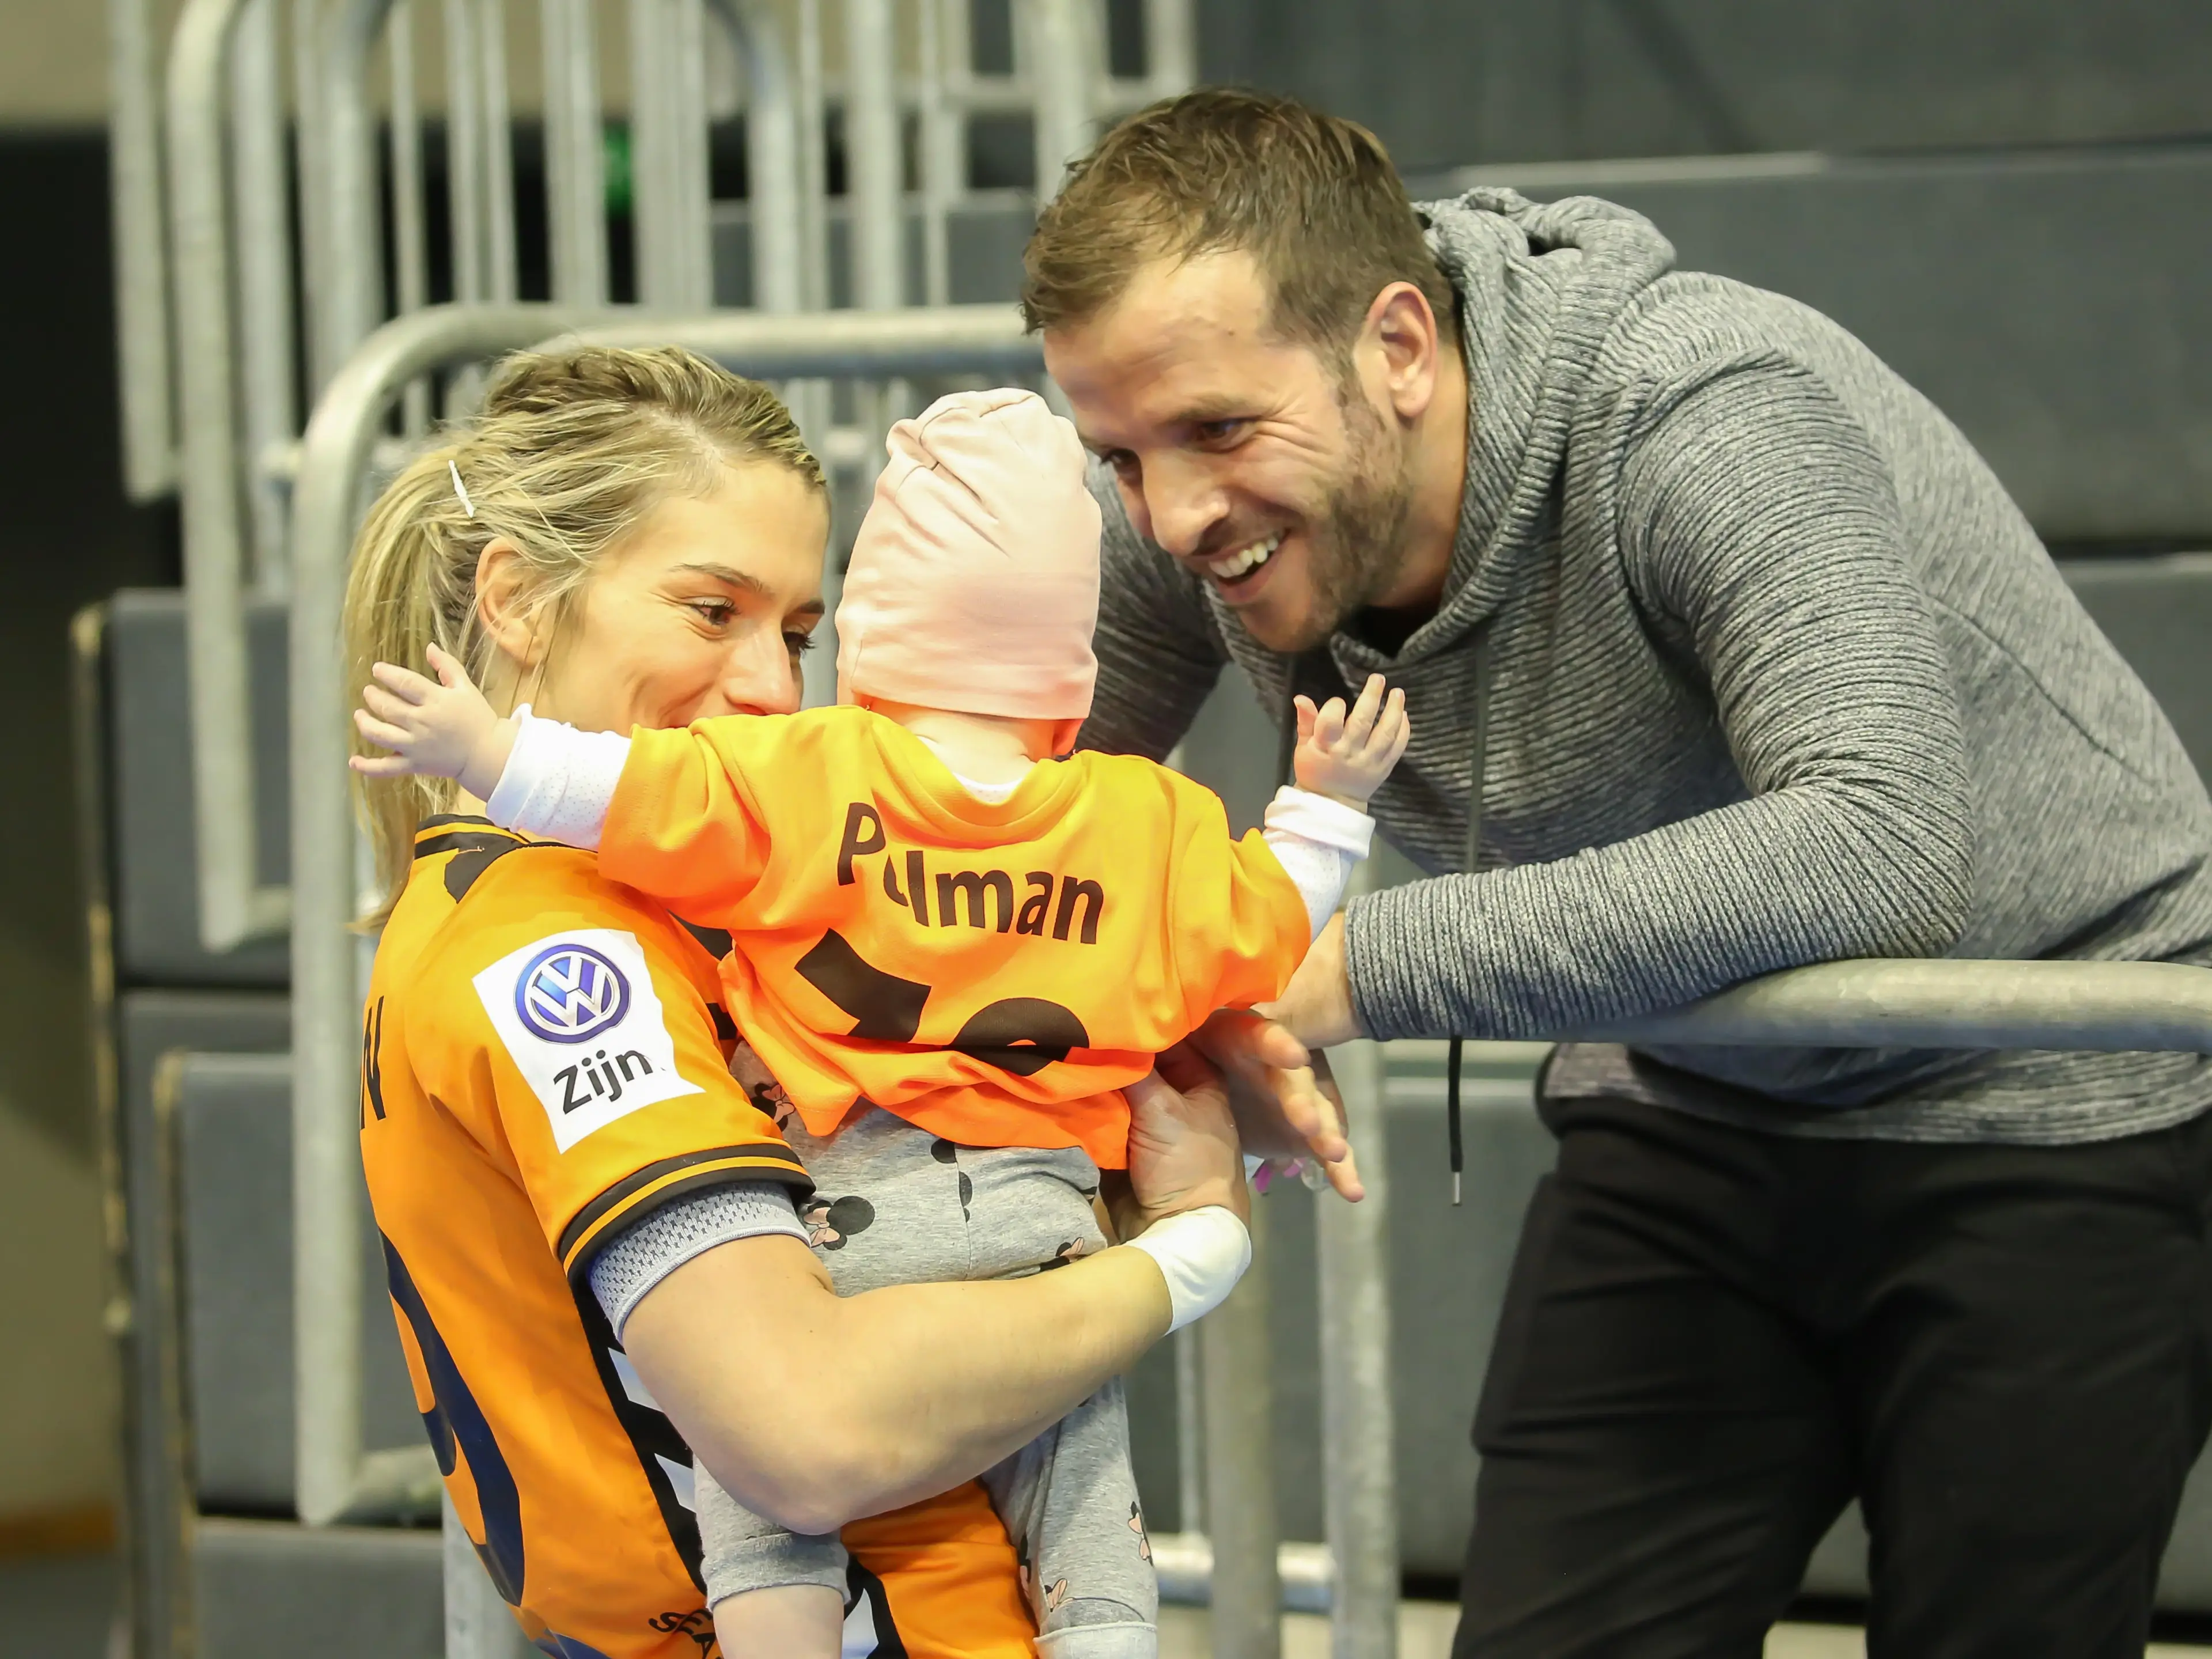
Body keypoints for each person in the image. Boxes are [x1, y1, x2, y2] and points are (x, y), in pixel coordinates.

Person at [1025, 88, 2212, 1657]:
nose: (1173, 512)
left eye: (1221, 432)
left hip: (2059, 1090)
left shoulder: (1700, 409)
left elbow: (1883, 840)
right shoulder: (1203, 517)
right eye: (1118, 452)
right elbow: (1002, 816)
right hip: (1699, 1100)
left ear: (1397, 346)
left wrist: (1337, 973)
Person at [353, 385, 1404, 1658]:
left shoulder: (697, 906)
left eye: (797, 634)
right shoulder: (563, 946)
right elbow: (808, 1430)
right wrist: (1186, 1256)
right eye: (711, 610)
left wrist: (1175, 1038)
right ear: (516, 600)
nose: (767, 689)